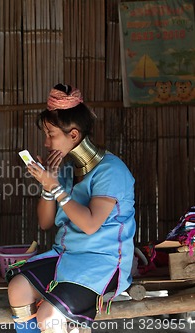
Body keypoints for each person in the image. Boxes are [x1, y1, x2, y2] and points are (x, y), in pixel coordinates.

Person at [7, 84, 136, 333]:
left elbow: (89, 225)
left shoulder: (112, 171)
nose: (46, 143)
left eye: (51, 134)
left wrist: (55, 188)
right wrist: (47, 185)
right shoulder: (66, 170)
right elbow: (45, 223)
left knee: (48, 315)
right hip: (67, 256)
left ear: (74, 135)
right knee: (18, 288)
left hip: (102, 264)